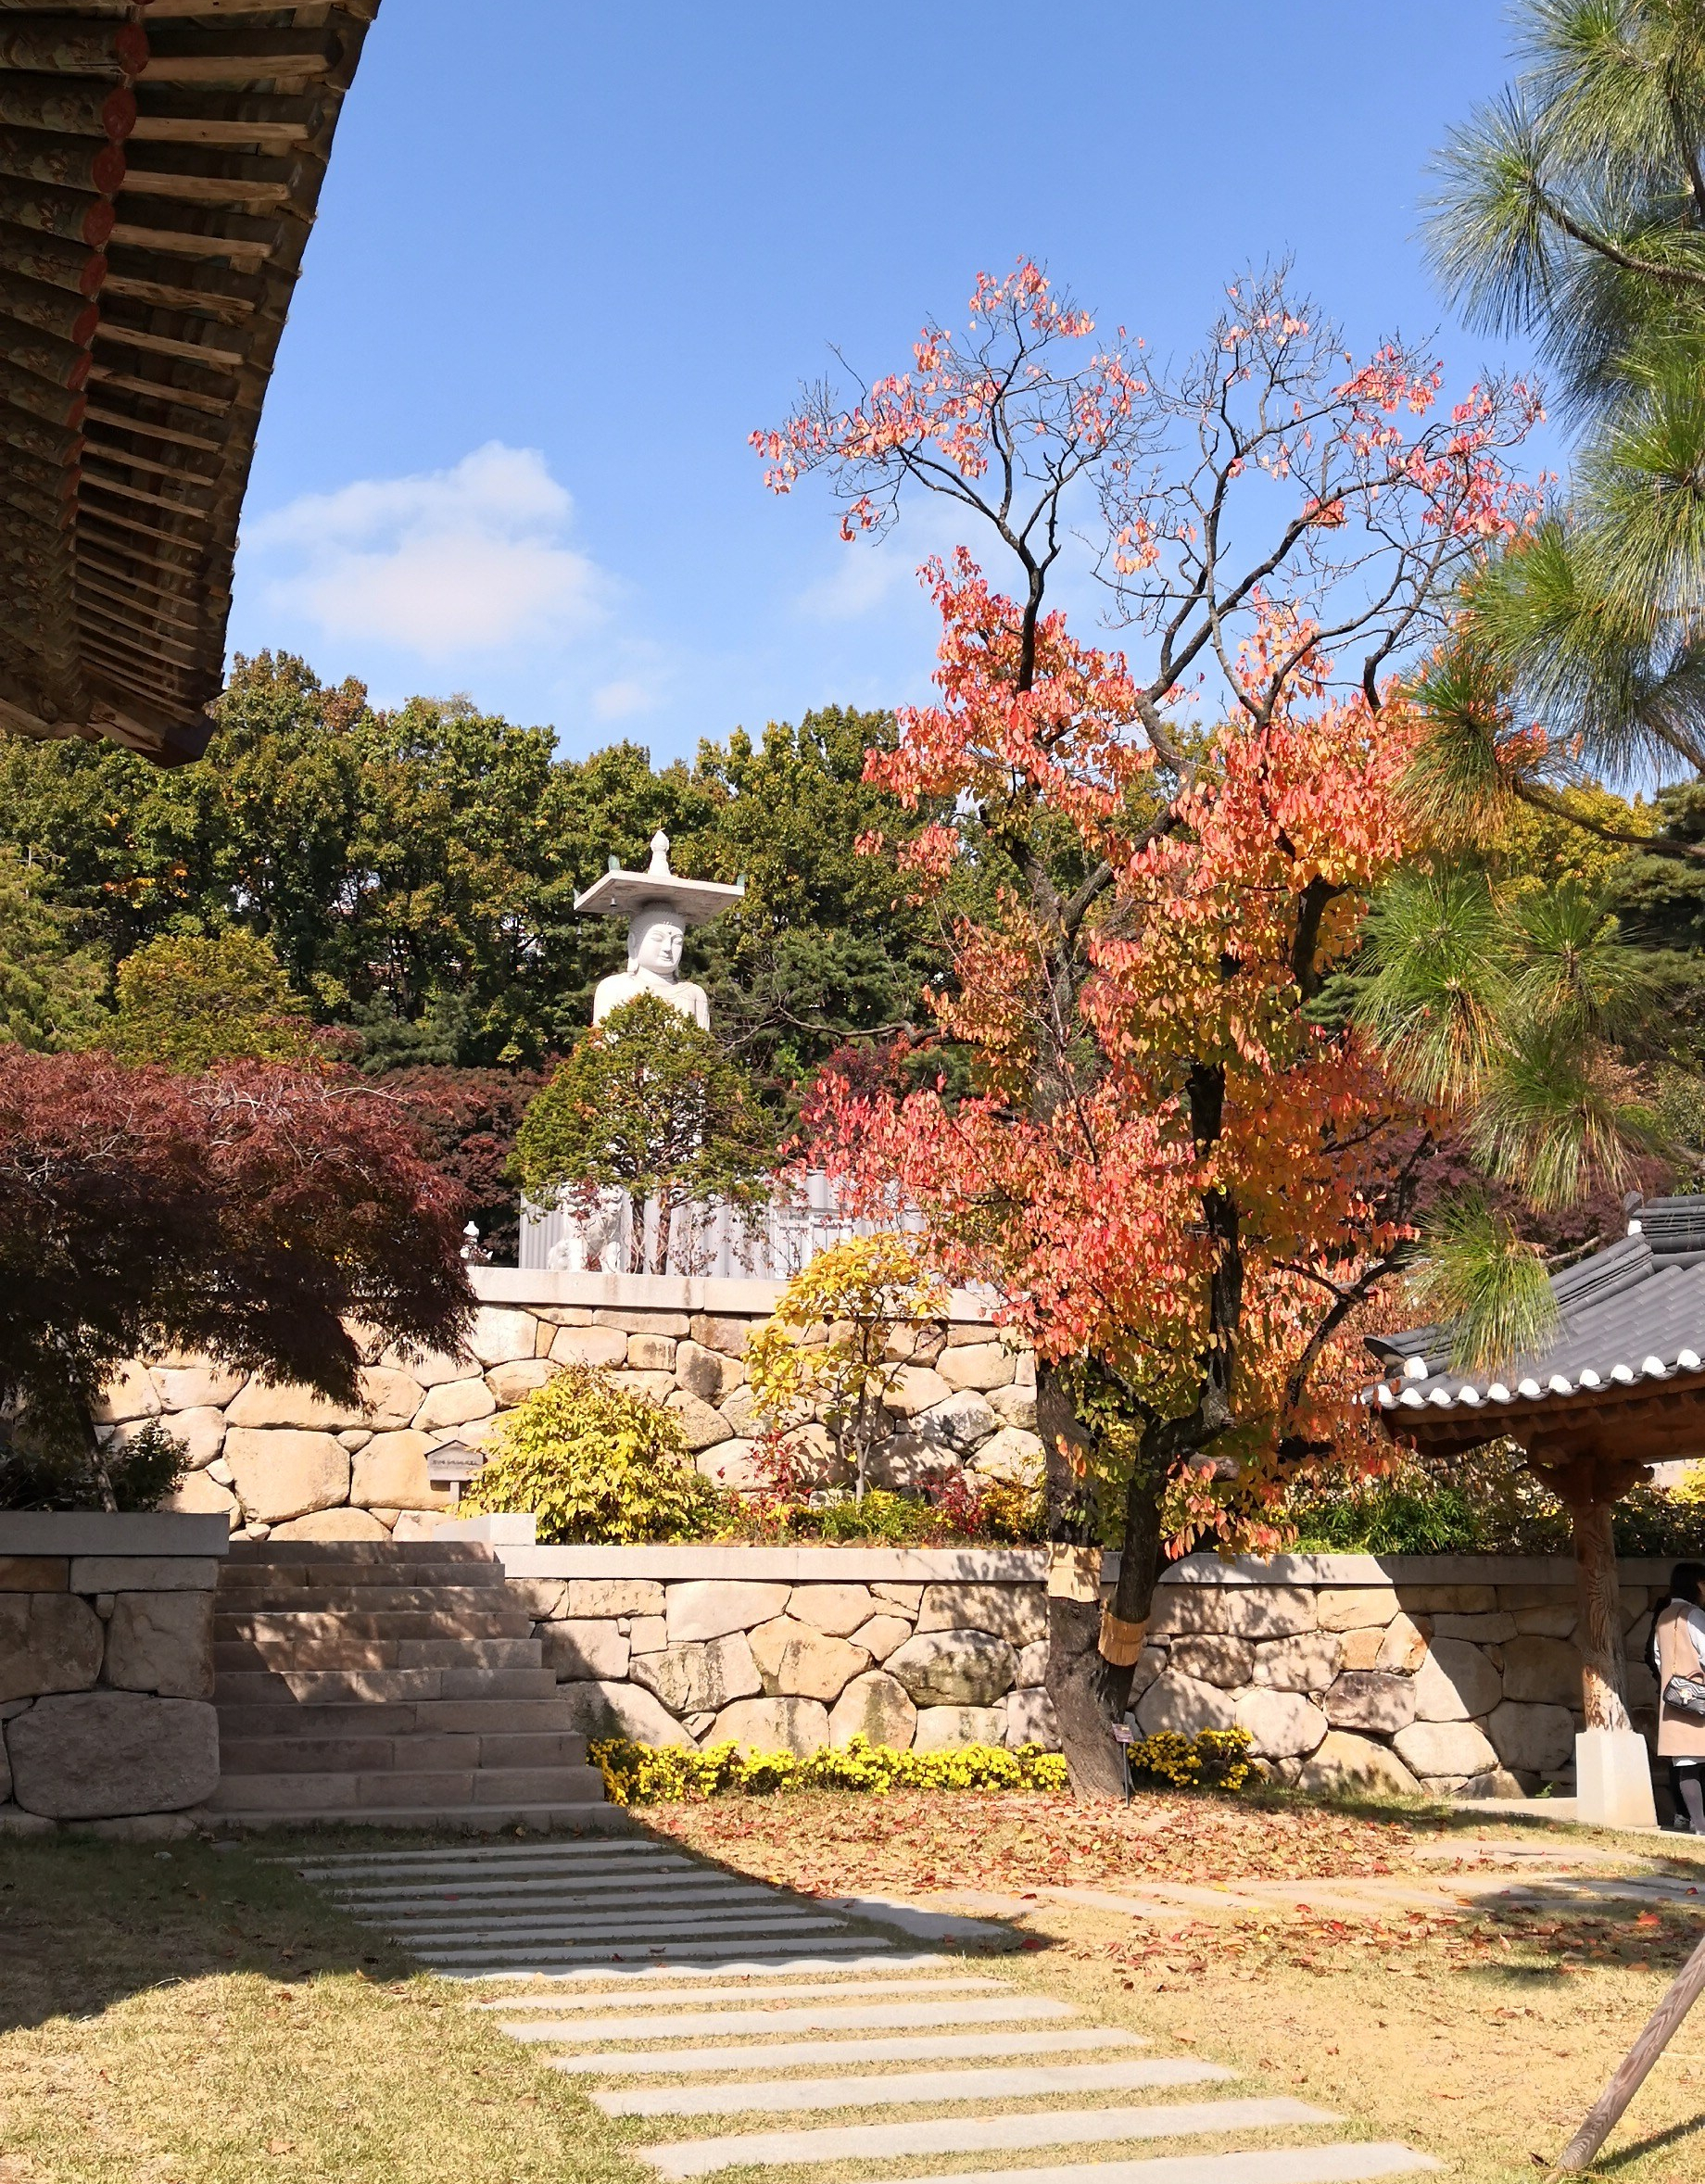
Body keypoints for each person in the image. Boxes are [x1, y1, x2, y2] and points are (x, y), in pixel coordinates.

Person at [1652, 1561, 1705, 1834]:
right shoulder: (1693, 1615)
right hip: (1700, 1699)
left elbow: (1660, 1660)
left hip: (1676, 1700)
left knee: (1686, 1764)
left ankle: (1698, 1824)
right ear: (1696, 1584)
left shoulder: (1664, 1617)